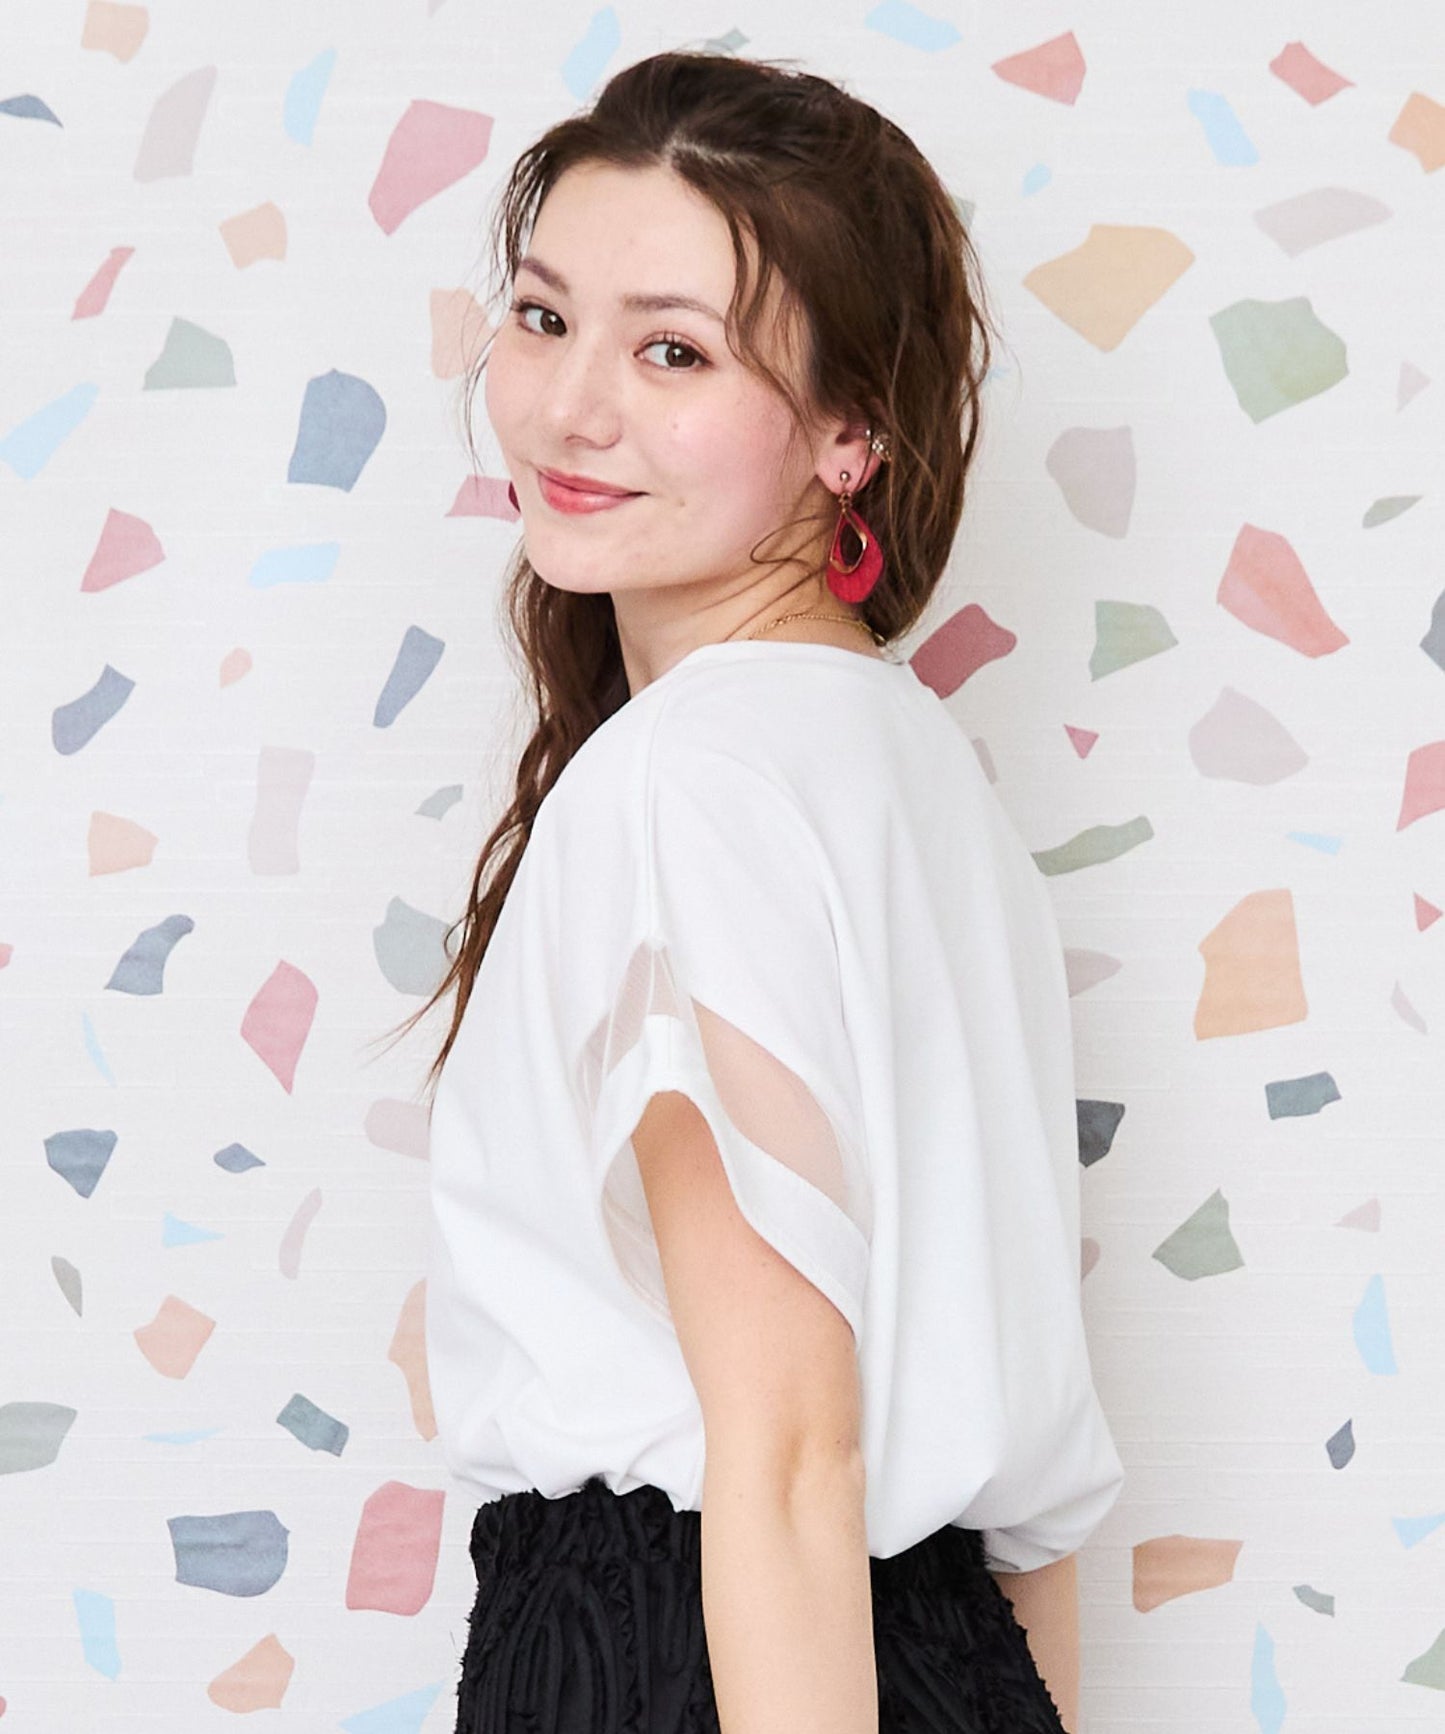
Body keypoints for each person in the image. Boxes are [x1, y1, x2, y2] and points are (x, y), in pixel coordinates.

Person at [394, 47, 1126, 1734]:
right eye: (544, 317)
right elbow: (1032, 1509)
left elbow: (788, 1446)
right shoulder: (915, 770)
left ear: (850, 432)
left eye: (673, 350)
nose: (568, 407)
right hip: (942, 1656)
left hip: (696, 1654)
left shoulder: (687, 778)